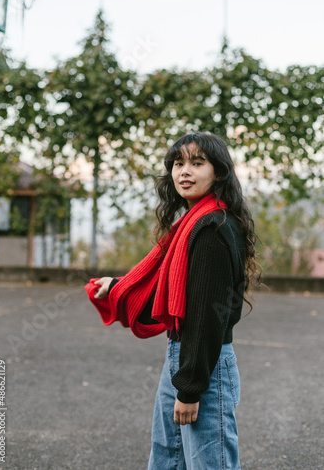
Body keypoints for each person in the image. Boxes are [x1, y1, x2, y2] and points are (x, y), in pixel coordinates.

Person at [85, 132, 259, 470]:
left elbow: (208, 316)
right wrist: (119, 285)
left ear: (219, 172)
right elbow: (177, 289)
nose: (184, 172)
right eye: (178, 163)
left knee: (211, 463)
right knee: (168, 459)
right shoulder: (193, 222)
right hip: (183, 355)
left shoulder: (212, 228)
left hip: (202, 362)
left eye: (197, 163)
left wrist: (190, 388)